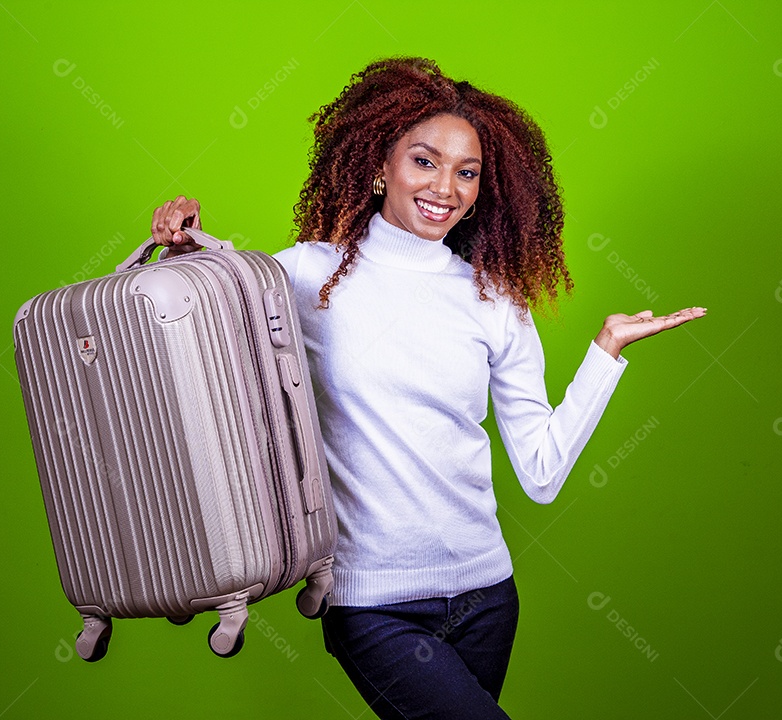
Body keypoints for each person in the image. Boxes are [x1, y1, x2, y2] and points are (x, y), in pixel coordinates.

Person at [149, 57, 705, 719]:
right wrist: (184, 252)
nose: (448, 187)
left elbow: (542, 474)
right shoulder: (304, 276)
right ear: (381, 165)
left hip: (485, 599)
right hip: (371, 604)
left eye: (467, 172)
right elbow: (203, 322)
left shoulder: (494, 300)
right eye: (425, 161)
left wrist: (605, 354)